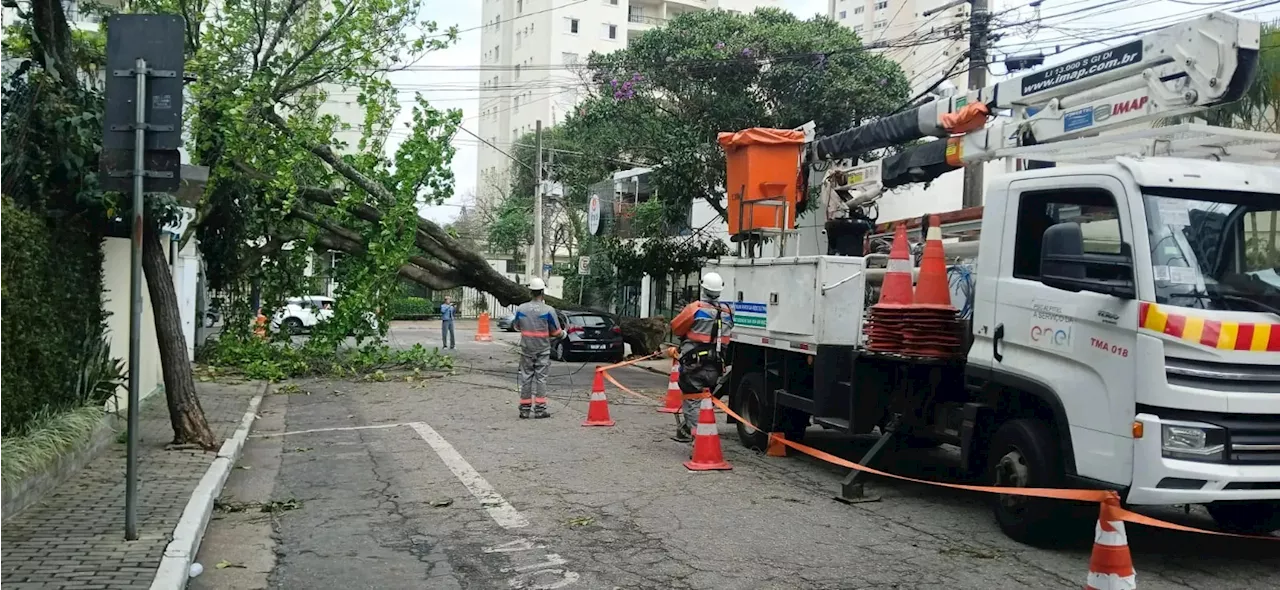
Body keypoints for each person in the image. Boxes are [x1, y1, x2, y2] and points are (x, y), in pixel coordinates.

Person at [669, 272, 734, 442]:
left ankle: (701, 442)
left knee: (692, 401)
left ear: (703, 287)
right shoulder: (727, 311)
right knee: (705, 402)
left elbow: (676, 328)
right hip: (716, 365)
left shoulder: (695, 308)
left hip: (694, 364)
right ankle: (693, 432)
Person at [513, 278, 562, 419]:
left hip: (526, 349)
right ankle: (540, 410)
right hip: (542, 350)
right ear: (542, 292)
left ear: (530, 292)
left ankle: (524, 410)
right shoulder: (548, 310)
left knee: (526, 378)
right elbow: (556, 332)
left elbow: (517, 326)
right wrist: (563, 334)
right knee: (541, 379)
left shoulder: (521, 309)